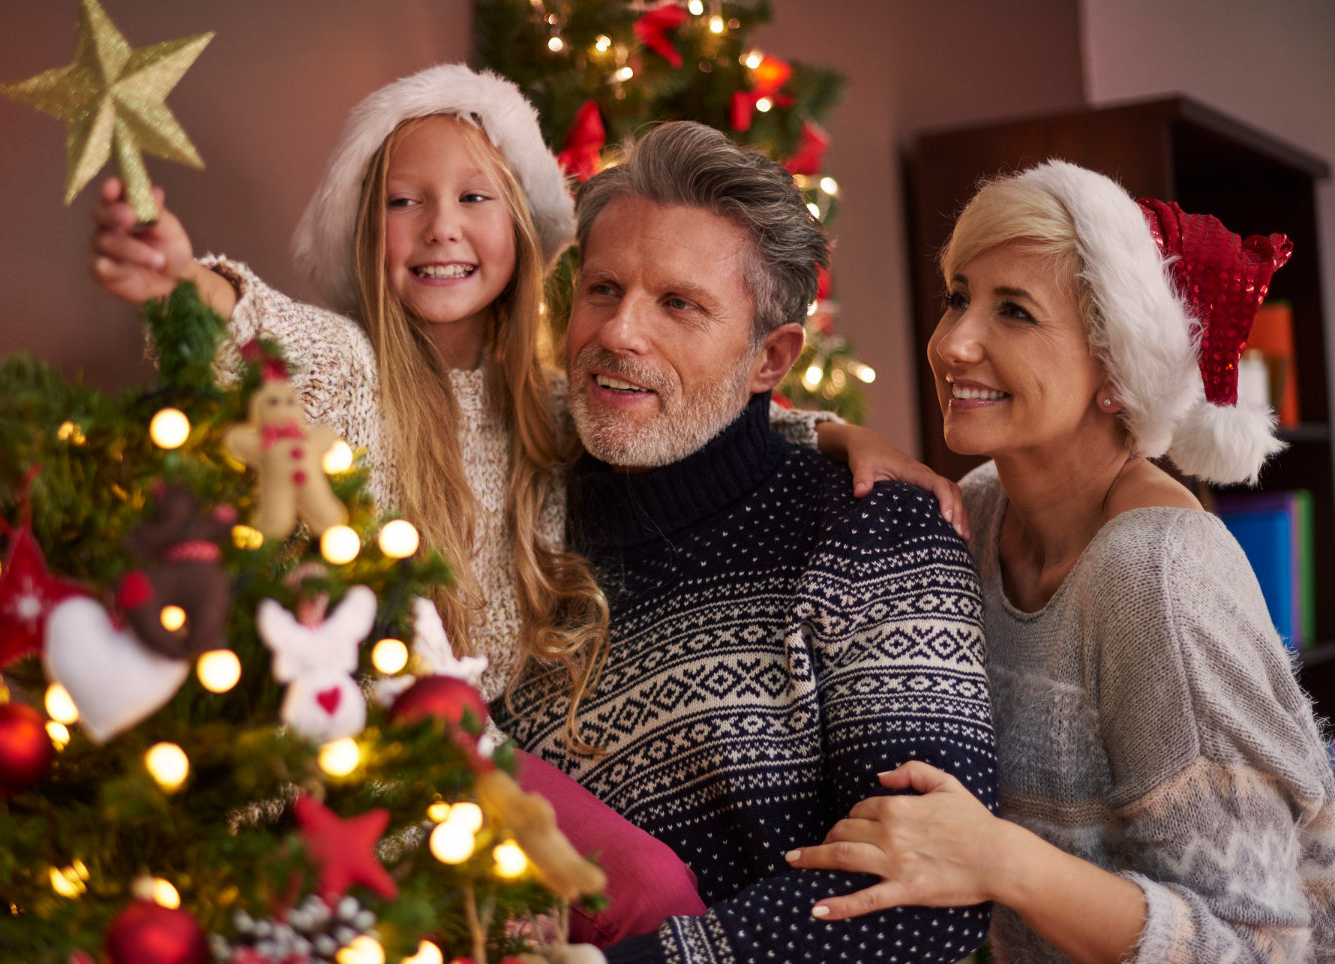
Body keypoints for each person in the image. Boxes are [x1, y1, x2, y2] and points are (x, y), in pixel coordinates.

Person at [88, 63, 963, 711]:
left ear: (524, 231)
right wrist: (175, 276)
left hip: (491, 796)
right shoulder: (346, 371)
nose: (441, 229)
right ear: (365, 231)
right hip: (349, 761)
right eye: (403, 202)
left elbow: (699, 402)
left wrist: (842, 436)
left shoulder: (554, 410)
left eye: (474, 198)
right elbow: (253, 331)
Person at [787, 160, 1335, 964]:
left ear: (1120, 369)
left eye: (1014, 310)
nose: (953, 341)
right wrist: (840, 433)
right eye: (958, 295)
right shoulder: (984, 509)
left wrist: (998, 858)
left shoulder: (1157, 575)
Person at [493, 121, 998, 964]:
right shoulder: (511, 514)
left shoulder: (875, 533)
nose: (617, 330)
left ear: (769, 360)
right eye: (603, 288)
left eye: (678, 305)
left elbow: (928, 884)